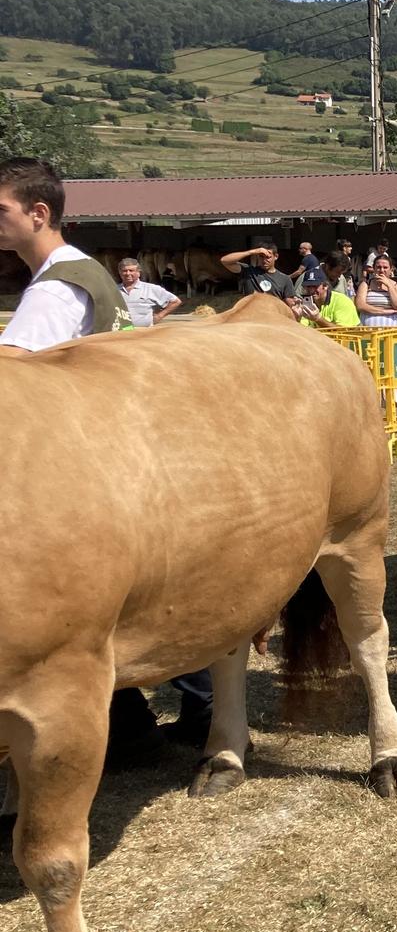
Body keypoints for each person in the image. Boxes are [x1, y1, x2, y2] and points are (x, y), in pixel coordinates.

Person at [0, 160, 213, 749]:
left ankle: (179, 712)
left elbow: (11, 372)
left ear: (38, 214)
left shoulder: (54, 288)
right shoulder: (84, 270)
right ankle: (146, 720)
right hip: (130, 439)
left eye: (2, 212)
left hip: (93, 454)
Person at [221, 238, 297, 301]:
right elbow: (225, 261)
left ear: (276, 256)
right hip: (251, 316)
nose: (264, 260)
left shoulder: (285, 279)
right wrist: (252, 252)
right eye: (261, 256)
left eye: (268, 257)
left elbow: (289, 302)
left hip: (273, 316)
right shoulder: (248, 271)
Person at [115, 256, 180, 326]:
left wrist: (159, 316)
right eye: (124, 271)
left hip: (145, 333)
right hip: (121, 332)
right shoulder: (114, 290)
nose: (128, 274)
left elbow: (175, 301)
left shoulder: (150, 289)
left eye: (131, 271)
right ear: (120, 273)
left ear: (138, 273)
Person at [294, 266, 360, 328]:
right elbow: (303, 329)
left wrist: (318, 319)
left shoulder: (342, 301)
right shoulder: (307, 304)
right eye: (308, 286)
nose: (311, 290)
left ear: (325, 286)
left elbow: (343, 331)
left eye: (315, 286)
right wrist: (297, 318)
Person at [356, 251, 397, 327]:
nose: (382, 270)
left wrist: (389, 286)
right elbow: (360, 306)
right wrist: (384, 311)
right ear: (373, 268)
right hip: (368, 331)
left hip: (392, 331)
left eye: (385, 267)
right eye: (378, 267)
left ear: (391, 270)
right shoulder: (366, 285)